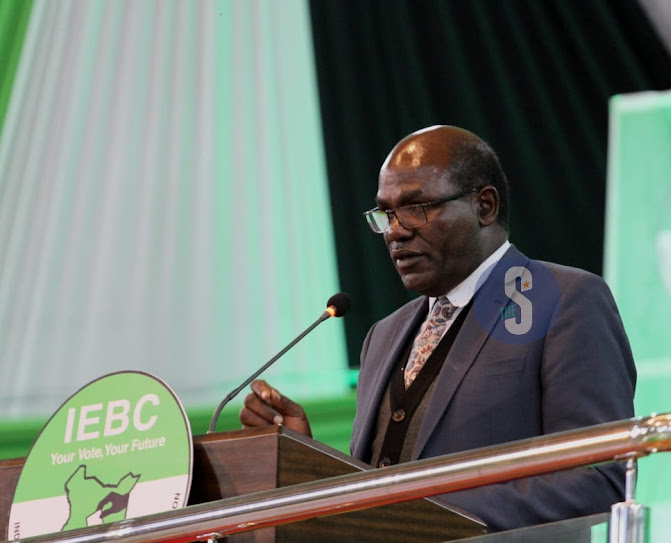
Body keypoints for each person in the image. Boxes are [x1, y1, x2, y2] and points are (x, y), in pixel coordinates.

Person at [240, 125, 637, 532]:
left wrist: (424, 509)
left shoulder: (563, 299)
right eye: (386, 213)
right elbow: (370, 501)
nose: (396, 230)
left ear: (484, 206)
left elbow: (600, 477)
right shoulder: (383, 336)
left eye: (417, 207)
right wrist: (306, 459)